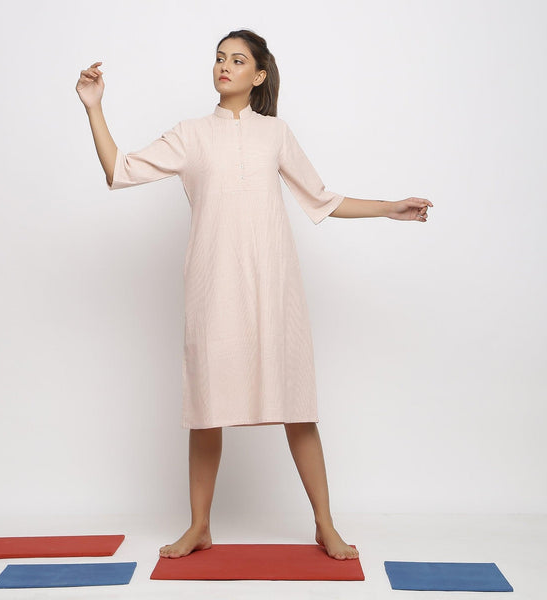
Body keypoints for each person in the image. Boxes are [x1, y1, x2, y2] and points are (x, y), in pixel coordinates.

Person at [76, 29, 432, 562]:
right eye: (219, 58)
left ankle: (325, 525)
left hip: (274, 286)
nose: (224, 66)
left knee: (297, 407)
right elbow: (119, 170)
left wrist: (388, 208)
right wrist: (94, 107)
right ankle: (198, 526)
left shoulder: (276, 134)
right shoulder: (190, 133)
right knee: (206, 409)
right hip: (212, 285)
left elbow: (323, 198)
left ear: (258, 75)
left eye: (237, 60)